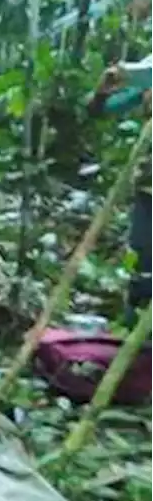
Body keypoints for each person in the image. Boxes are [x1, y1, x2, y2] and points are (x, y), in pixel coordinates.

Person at [90, 58, 153, 321]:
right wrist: (103, 89)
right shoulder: (147, 83)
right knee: (142, 259)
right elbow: (99, 110)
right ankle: (134, 329)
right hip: (150, 186)